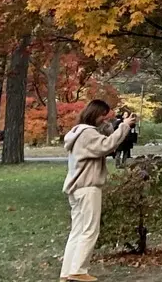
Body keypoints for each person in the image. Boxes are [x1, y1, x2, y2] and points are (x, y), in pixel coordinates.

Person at [61, 98, 138, 282]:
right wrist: (125, 126)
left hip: (76, 188)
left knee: (77, 231)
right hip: (88, 187)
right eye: (103, 116)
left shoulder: (78, 132)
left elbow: (103, 139)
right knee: (89, 230)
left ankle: (67, 271)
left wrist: (116, 125)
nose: (105, 120)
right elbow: (107, 146)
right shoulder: (87, 134)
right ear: (95, 114)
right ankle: (78, 270)